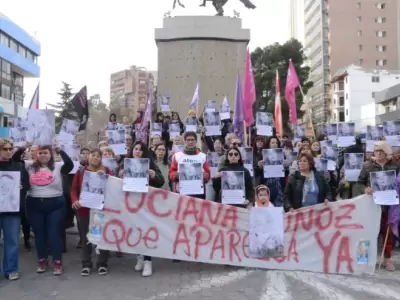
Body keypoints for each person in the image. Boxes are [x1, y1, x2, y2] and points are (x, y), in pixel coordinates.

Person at [13, 143, 73, 275]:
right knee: (39, 234)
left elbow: (70, 165)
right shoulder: (29, 165)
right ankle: (42, 259)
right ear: (36, 155)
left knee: (53, 234)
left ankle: (57, 261)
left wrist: (61, 151)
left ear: (50, 154)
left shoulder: (58, 166)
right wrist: (22, 148)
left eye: (46, 152)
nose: (43, 155)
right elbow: (15, 160)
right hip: (34, 204)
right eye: (40, 153)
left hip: (55, 203)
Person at [355, 141, 399, 271]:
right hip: (371, 204)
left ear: (386, 153)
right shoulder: (368, 166)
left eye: (381, 151)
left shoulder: (395, 166)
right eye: (376, 151)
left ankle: (387, 259)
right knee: (367, 231)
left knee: (387, 232)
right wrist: (365, 189)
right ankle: (363, 258)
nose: (378, 153)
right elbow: (359, 183)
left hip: (388, 205)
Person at [123, 141, 165, 277]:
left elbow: (161, 181)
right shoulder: (125, 163)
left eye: (141, 150)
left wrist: (154, 175)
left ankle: (148, 261)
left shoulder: (150, 164)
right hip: (131, 203)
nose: (138, 152)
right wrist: (120, 173)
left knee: (146, 231)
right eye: (135, 149)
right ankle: (139, 257)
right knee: (134, 231)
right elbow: (115, 180)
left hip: (146, 204)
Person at [71, 148, 113, 276]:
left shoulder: (107, 171)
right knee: (85, 238)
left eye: (98, 156)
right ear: (88, 157)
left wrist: (106, 178)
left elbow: (114, 187)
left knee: (100, 236)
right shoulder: (81, 171)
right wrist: (75, 201)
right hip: (84, 210)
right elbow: (73, 190)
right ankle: (86, 263)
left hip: (100, 210)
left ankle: (102, 263)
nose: (95, 158)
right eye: (93, 155)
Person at [0, 138, 30, 280]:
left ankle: (11, 269)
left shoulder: (19, 166)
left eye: (10, 149)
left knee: (12, 241)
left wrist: (21, 188)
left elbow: (27, 185)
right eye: (4, 149)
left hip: (12, 209)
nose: (8, 151)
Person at [169, 131, 210, 198]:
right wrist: (175, 175)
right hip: (182, 192)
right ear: (185, 141)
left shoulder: (202, 156)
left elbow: (208, 174)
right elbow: (171, 173)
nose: (190, 142)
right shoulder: (177, 156)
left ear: (196, 141)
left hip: (198, 192)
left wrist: (205, 176)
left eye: (192, 140)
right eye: (188, 140)